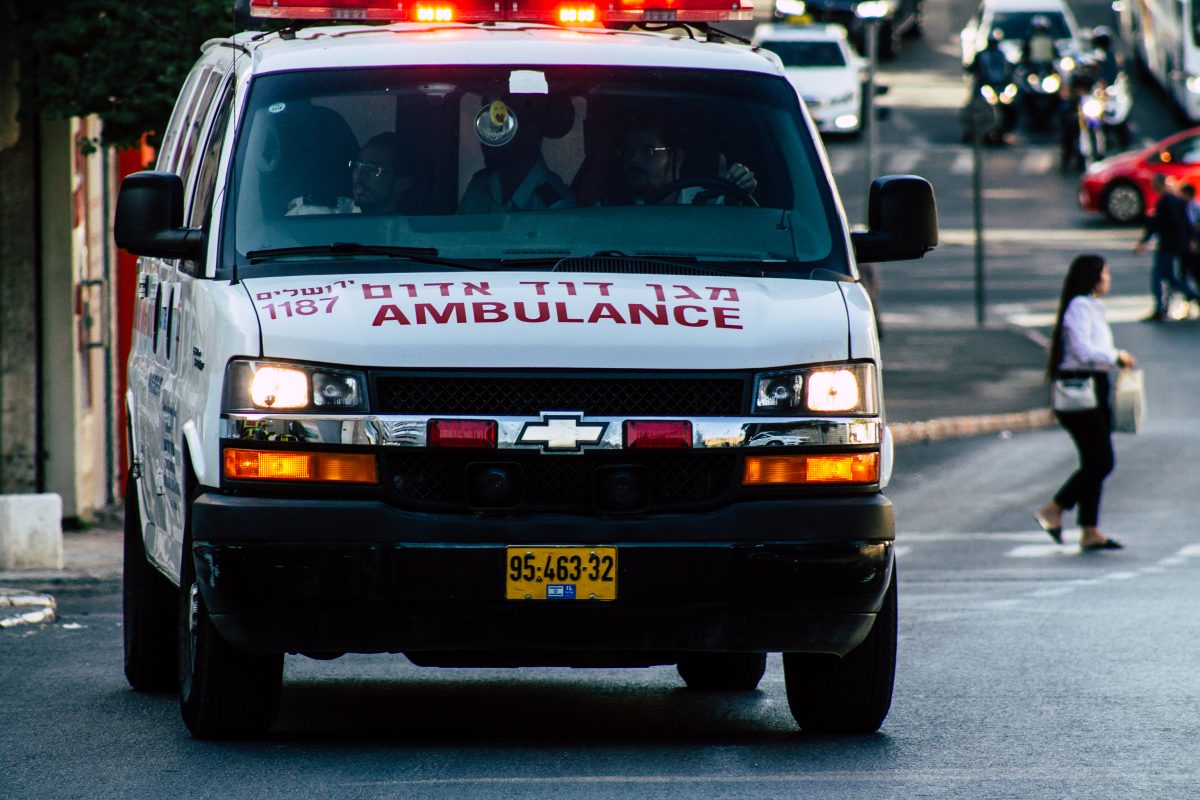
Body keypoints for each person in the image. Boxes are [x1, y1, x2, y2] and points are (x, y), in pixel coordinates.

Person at [1036, 255, 1135, 551]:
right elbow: (1081, 350)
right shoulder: (1080, 306)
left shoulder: (1092, 306)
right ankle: (1054, 509)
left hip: (1094, 386)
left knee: (1094, 460)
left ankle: (1090, 529)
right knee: (1101, 460)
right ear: (1093, 277)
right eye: (1105, 273)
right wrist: (1115, 356)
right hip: (1080, 389)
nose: (1109, 279)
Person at [457, 97, 575, 214]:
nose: (492, 138)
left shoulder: (557, 207)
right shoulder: (478, 188)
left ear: (532, 132)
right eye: (489, 126)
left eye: (505, 127)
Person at [608, 115, 758, 205]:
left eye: (648, 151)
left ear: (677, 158)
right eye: (628, 151)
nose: (634, 160)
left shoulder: (706, 205)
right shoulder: (611, 209)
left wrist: (736, 193)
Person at [287, 132, 419, 215]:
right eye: (357, 165)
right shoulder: (316, 214)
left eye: (373, 168)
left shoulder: (413, 235)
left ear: (402, 183)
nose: (360, 176)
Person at [1133, 175, 1200, 320]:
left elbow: (1158, 223)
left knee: (1160, 275)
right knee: (1169, 276)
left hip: (1168, 244)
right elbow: (1186, 222)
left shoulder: (1166, 201)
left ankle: (1162, 307)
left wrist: (1145, 240)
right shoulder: (1175, 201)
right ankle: (1172, 303)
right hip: (1175, 244)